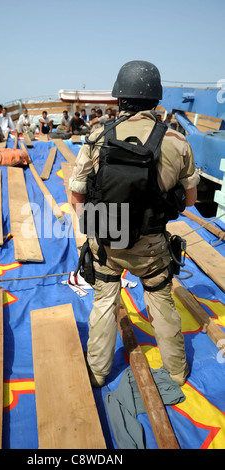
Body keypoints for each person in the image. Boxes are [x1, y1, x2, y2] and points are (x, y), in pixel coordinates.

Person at [69, 60, 200, 388]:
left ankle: (98, 372)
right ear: (156, 99)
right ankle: (176, 372)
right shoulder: (177, 141)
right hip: (151, 246)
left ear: (118, 98)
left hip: (108, 241)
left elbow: (76, 195)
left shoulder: (97, 137)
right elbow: (190, 201)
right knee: (161, 299)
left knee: (103, 301)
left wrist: (101, 224)